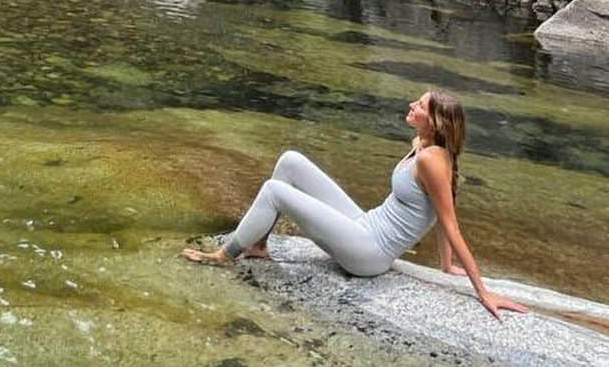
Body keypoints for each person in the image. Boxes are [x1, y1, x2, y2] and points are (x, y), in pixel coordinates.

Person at [182, 89, 528, 321]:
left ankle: (224, 256)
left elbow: (449, 222)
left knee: (274, 191)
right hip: (366, 225)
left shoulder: (432, 161)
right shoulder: (421, 145)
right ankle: (258, 244)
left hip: (369, 254)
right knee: (290, 161)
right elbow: (439, 211)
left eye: (420, 106)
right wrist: (444, 265)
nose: (412, 105)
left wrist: (482, 292)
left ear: (436, 122)